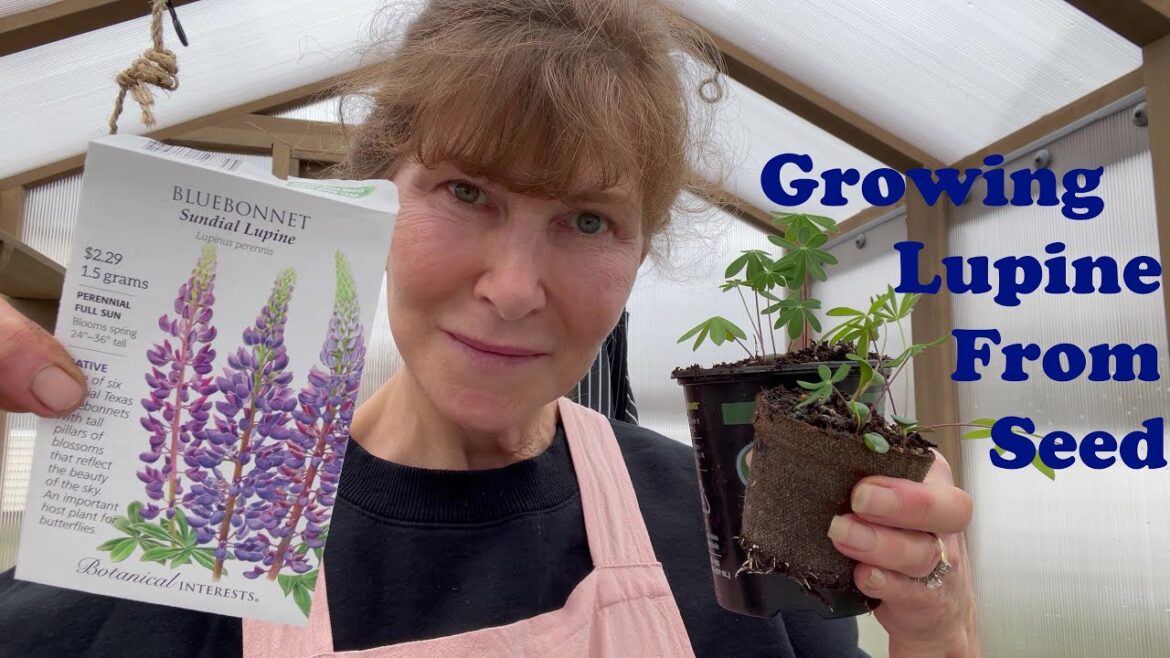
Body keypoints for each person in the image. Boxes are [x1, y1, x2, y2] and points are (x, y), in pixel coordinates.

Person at [0, 0, 978, 655]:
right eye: (466, 191)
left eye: (587, 219)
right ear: (375, 194)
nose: (513, 288)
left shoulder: (728, 534)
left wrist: (937, 632)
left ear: (640, 249)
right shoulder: (200, 520)